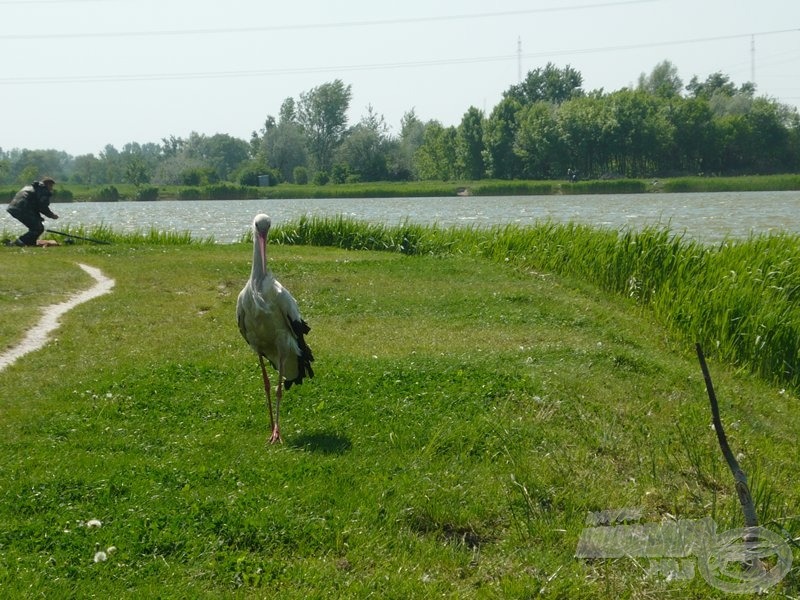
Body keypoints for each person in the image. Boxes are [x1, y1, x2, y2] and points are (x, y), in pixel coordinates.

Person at [5, 177, 59, 246]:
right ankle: (18, 243)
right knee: (38, 228)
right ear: (47, 184)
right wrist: (52, 215)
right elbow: (42, 206)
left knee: (36, 227)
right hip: (22, 209)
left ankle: (30, 243)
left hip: (14, 208)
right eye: (51, 186)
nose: (51, 188)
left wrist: (38, 217)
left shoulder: (32, 187)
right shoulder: (43, 190)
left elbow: (34, 205)